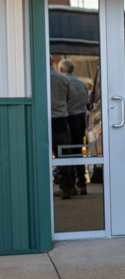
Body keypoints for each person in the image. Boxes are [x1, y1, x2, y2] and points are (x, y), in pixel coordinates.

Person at [59, 59, 89, 194]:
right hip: (81, 118)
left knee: (67, 152)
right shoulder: (82, 83)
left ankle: (70, 185)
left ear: (61, 69)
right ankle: (82, 184)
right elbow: (86, 102)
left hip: (68, 119)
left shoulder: (63, 82)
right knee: (78, 150)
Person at [50, 64, 74, 199]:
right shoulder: (63, 78)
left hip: (43, 118)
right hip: (60, 119)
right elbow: (68, 98)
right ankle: (66, 188)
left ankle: (44, 189)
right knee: (62, 154)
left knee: (41, 155)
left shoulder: (38, 77)